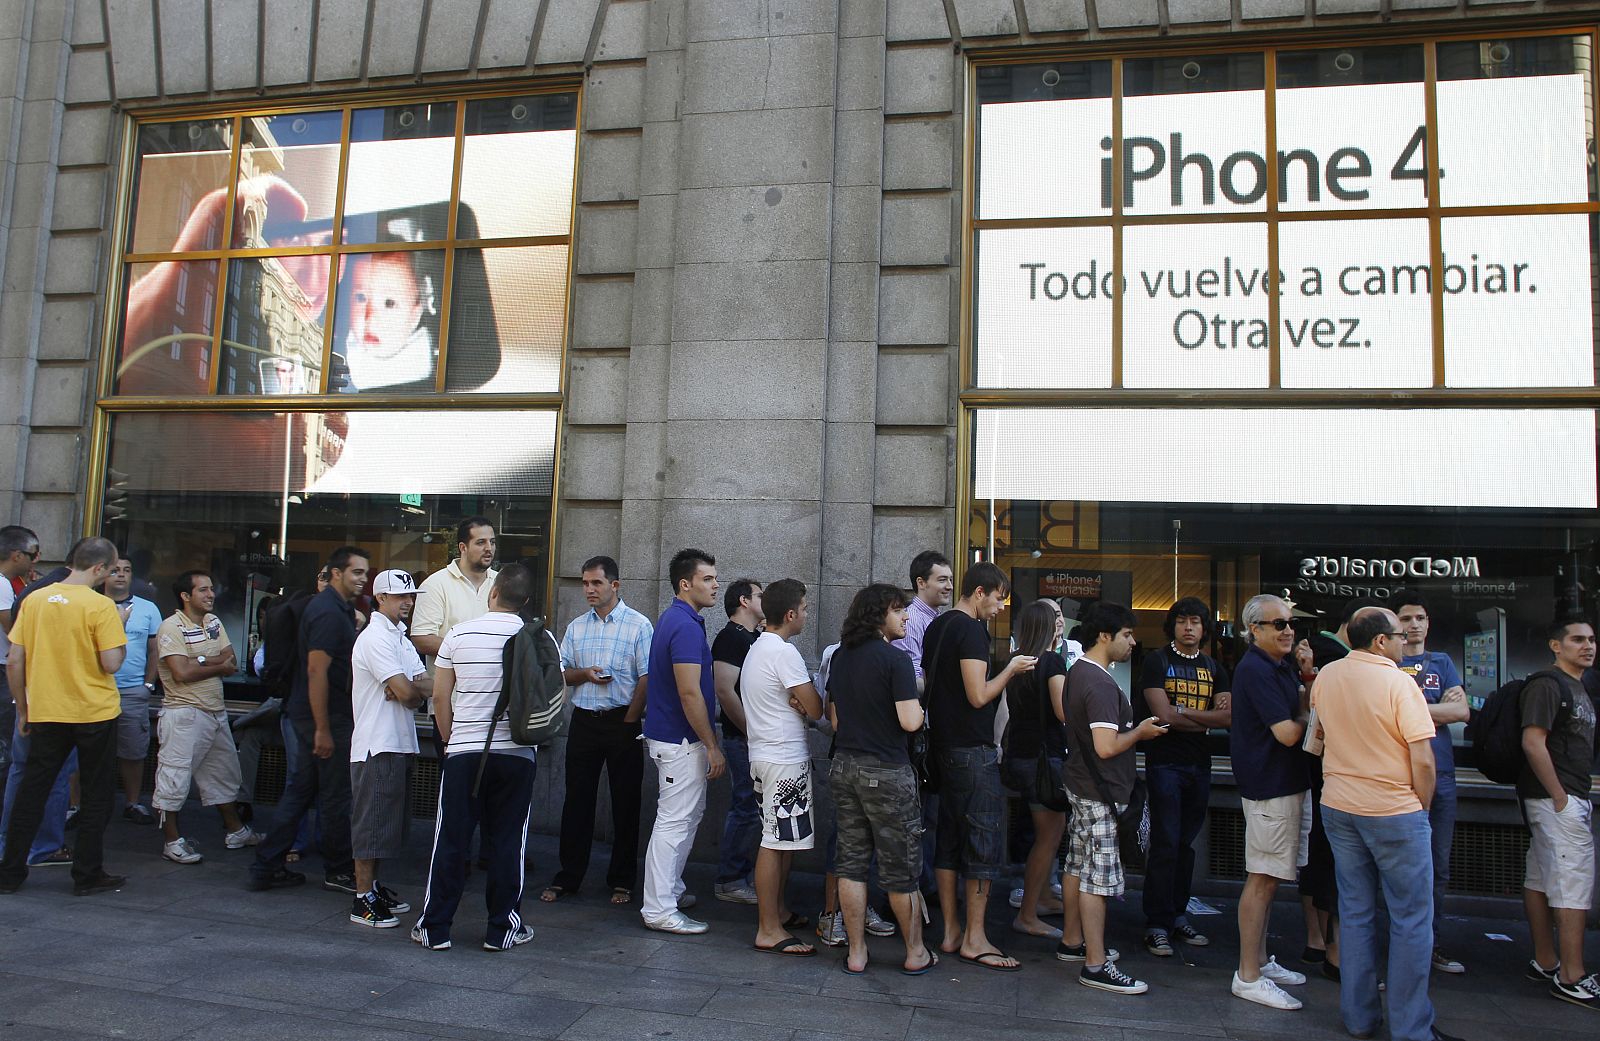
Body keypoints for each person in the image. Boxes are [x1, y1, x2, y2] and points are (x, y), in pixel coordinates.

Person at [1312, 607, 1455, 1041]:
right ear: (1379, 641)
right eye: (1398, 634)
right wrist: (1422, 808)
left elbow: (1315, 742)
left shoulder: (1327, 677)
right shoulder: (1400, 683)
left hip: (1338, 804)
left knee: (1355, 913)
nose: (1405, 640)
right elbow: (1424, 760)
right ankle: (1411, 1027)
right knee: (1411, 918)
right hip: (1394, 808)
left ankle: (1359, 1018)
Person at [414, 564, 539, 951]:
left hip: (465, 752)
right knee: (507, 843)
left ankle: (435, 929)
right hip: (518, 753)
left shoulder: (458, 634)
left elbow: (439, 696)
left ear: (493, 593)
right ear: (526, 601)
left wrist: (452, 741)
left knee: (450, 839)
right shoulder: (537, 637)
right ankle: (502, 930)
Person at [0, 536, 128, 897]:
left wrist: (23, 709)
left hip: (46, 710)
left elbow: (14, 660)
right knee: (96, 793)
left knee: (31, 790)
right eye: (113, 568)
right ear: (99, 568)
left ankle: (10, 872)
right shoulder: (101, 607)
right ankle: (87, 874)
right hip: (94, 712)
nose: (113, 575)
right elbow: (111, 663)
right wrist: (120, 627)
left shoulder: (36, 599)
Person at [924, 561, 1034, 971]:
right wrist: (1011, 668)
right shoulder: (970, 630)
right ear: (980, 592)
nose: (1002, 607)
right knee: (983, 842)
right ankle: (975, 937)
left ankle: (952, 931)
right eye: (999, 597)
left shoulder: (938, 626)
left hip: (943, 747)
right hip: (971, 749)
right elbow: (977, 694)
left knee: (950, 839)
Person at [1056, 600, 1165, 994]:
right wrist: (1141, 732)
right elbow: (1105, 745)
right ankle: (1095, 965)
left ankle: (1073, 942)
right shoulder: (1100, 683)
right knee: (1097, 879)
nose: (1133, 642)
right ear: (1105, 636)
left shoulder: (1078, 673)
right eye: (1127, 634)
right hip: (1099, 790)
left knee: (1076, 864)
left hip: (1083, 785)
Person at [828, 583, 934, 975]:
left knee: (851, 863)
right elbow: (909, 721)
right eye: (898, 609)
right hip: (887, 770)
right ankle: (915, 952)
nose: (906, 615)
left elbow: (836, 719)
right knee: (901, 868)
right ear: (878, 615)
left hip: (844, 767)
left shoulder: (840, 657)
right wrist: (922, 709)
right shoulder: (896, 661)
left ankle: (856, 953)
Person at [248, 547, 368, 893]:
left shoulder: (338, 609)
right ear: (334, 573)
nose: (362, 578)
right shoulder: (329, 612)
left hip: (316, 712)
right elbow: (317, 671)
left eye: (365, 572)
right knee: (333, 795)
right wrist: (322, 729)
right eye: (355, 572)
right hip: (322, 714)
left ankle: (266, 865)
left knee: (301, 791)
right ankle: (339, 870)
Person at [541, 555, 651, 906]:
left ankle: (622, 880)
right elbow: (561, 673)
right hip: (585, 721)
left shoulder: (638, 625)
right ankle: (569, 876)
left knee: (625, 802)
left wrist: (631, 720)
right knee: (577, 801)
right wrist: (584, 674)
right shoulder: (576, 627)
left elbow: (648, 678)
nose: (589, 589)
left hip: (623, 721)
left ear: (614, 585)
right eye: (585, 583)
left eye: (596, 583)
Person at [1230, 593, 1312, 1010]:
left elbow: (1297, 708)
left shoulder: (1278, 666)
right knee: (1262, 879)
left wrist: (1306, 682)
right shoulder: (1255, 670)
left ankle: (1259, 961)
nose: (1287, 630)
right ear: (1255, 630)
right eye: (1278, 624)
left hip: (1284, 784)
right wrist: (1306, 716)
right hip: (1269, 787)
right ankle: (1247, 975)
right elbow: (1287, 733)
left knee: (1272, 877)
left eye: (1289, 622)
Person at [1140, 597, 1231, 956]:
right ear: (1172, 626)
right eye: (1181, 621)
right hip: (1165, 763)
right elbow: (1163, 717)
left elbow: (1228, 719)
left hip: (1201, 765)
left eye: (1195, 621)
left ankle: (1178, 916)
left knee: (1185, 845)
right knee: (1164, 842)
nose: (1188, 627)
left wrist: (1183, 712)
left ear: (1204, 628)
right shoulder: (1157, 661)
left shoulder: (1215, 667)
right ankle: (1156, 923)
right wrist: (1202, 715)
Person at [639, 548, 724, 934]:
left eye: (715, 578)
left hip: (675, 739)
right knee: (674, 823)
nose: (715, 585)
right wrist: (711, 745)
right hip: (681, 741)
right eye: (707, 579)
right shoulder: (685, 625)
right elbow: (690, 693)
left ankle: (668, 891)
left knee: (684, 819)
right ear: (685, 584)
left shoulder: (679, 619)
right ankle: (658, 908)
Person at [738, 579, 823, 955]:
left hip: (765, 755)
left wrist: (800, 702)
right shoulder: (784, 653)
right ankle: (768, 928)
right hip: (783, 759)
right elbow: (817, 707)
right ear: (790, 614)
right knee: (774, 842)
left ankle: (779, 913)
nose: (806, 614)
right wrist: (805, 703)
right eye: (804, 608)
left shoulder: (759, 648)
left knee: (781, 840)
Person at [152, 571, 261, 864]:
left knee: (224, 775)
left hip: (214, 712)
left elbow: (231, 660)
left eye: (211, 589)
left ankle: (235, 830)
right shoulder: (170, 627)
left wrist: (197, 659)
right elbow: (181, 673)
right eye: (203, 590)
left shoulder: (214, 622)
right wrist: (212, 664)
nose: (211, 594)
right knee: (173, 779)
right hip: (184, 713)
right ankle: (171, 841)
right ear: (185, 596)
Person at [1390, 589, 1471, 976]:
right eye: (1406, 619)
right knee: (1395, 869)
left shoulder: (1441, 662)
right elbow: (1388, 714)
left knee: (1437, 867)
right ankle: (1393, 953)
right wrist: (1439, 710)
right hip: (1399, 778)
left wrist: (1416, 710)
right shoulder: (1386, 664)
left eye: (1419, 618)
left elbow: (1462, 711)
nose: (1414, 625)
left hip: (1443, 777)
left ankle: (1430, 946)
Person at [1519, 615, 1598, 1008]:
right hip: (1556, 800)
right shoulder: (1549, 685)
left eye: (1591, 640)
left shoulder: (1576, 686)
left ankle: (1547, 960)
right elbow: (1534, 742)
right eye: (1577, 640)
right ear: (1556, 645)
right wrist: (1560, 796)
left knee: (1542, 877)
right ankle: (1571, 975)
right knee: (1571, 884)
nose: (1588, 646)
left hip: (1558, 798)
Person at [346, 569, 429, 928]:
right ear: (380, 598)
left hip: (398, 742)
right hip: (375, 744)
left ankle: (373, 887)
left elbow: (422, 686)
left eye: (410, 596)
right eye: (400, 596)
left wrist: (407, 690)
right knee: (371, 824)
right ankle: (361, 898)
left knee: (385, 825)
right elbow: (412, 691)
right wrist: (407, 690)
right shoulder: (375, 638)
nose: (407, 602)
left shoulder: (400, 638)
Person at [1002, 600, 1070, 939]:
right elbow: (1063, 711)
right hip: (1046, 759)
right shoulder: (1053, 661)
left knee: (1044, 834)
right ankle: (1028, 912)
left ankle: (1041, 897)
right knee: (1049, 836)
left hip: (1021, 754)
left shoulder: (1018, 664)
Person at [892, 550, 952, 897]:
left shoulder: (933, 620)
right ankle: (917, 889)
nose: (948, 585)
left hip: (929, 729)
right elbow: (912, 677)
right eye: (941, 579)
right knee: (919, 817)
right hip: (917, 732)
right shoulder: (912, 620)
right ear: (920, 583)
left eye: (949, 579)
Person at [710, 579, 763, 905]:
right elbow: (724, 690)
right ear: (744, 601)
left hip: (752, 740)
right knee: (744, 808)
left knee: (751, 809)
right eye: (760, 595)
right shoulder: (730, 638)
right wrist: (750, 731)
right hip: (741, 739)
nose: (764, 599)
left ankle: (741, 875)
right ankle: (730, 879)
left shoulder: (754, 637)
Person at [104, 557, 162, 826]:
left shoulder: (148, 608)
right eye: (114, 570)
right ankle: (75, 805)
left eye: (126, 570)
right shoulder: (92, 605)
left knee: (134, 751)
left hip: (132, 691)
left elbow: (155, 649)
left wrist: (148, 684)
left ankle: (133, 802)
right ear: (103, 574)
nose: (120, 575)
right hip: (95, 690)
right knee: (82, 752)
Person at [336, 251, 436, 393]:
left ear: (415, 315)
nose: (369, 316)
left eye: (389, 303)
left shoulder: (420, 364)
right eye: (361, 298)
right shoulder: (342, 344)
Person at [411, 517, 498, 660]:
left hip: (494, 680)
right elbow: (422, 639)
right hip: (450, 681)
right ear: (463, 547)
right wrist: (472, 652)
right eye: (481, 542)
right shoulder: (435, 584)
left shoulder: (500, 582)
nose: (489, 548)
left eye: (492, 542)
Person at [0, 525, 40, 781]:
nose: (36, 560)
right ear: (17, 555)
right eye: (33, 554)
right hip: (3, 668)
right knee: (6, 746)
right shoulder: (2, 585)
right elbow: (14, 632)